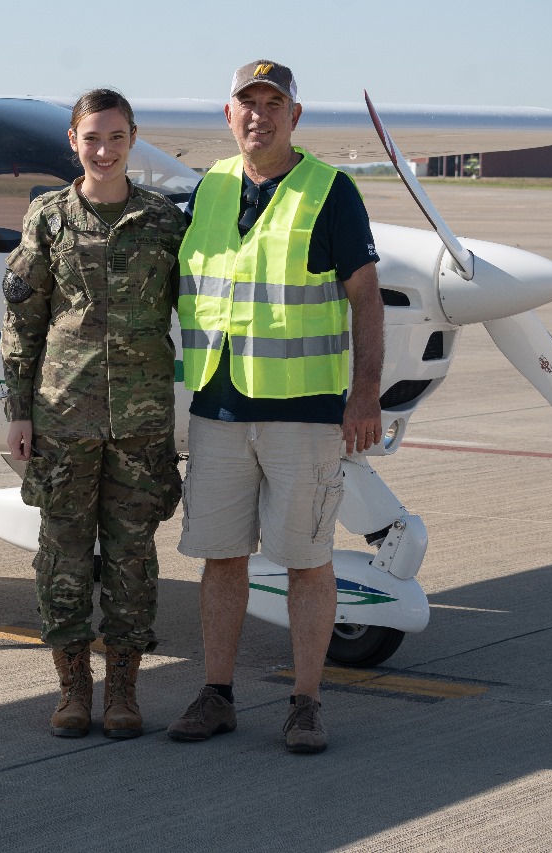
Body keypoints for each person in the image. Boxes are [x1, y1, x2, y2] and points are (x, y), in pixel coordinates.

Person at [166, 60, 384, 753]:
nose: (258, 114)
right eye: (246, 103)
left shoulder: (331, 191)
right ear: (228, 115)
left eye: (273, 103)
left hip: (306, 411)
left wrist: (366, 393)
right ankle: (218, 693)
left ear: (295, 115)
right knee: (221, 556)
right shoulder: (208, 190)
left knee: (305, 559)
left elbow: (367, 297)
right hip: (218, 406)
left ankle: (306, 701)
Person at [0, 89, 187, 740]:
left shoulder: (164, 222)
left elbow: (200, 308)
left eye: (115, 138)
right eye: (91, 138)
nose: (103, 151)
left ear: (133, 139)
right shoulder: (48, 218)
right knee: (63, 555)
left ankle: (125, 691)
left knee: (134, 557)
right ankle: (75, 689)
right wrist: (18, 411)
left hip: (141, 421)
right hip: (64, 415)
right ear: (73, 142)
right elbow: (23, 319)